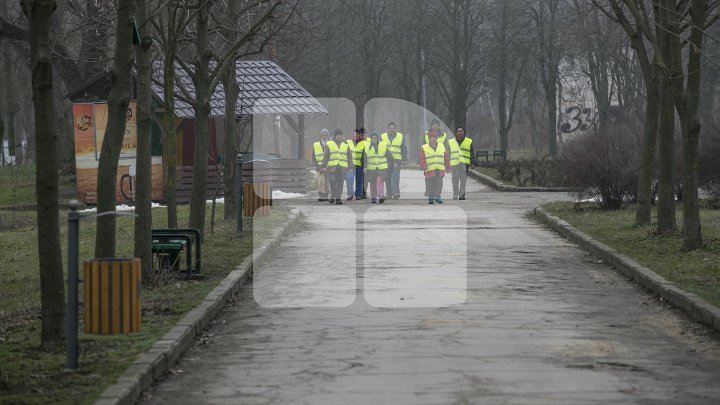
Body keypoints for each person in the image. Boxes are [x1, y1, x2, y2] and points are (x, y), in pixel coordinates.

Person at [420, 131, 450, 204]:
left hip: (439, 169)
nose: (432, 139)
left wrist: (448, 166)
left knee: (439, 183)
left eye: (434, 138)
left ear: (436, 139)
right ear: (429, 139)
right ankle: (431, 197)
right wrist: (423, 166)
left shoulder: (441, 146)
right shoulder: (424, 147)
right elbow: (422, 158)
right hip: (429, 169)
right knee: (430, 184)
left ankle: (438, 196)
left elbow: (445, 156)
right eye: (431, 138)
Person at [323, 128, 352, 205]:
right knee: (332, 183)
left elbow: (349, 155)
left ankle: (338, 198)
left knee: (340, 183)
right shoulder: (329, 143)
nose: (340, 136)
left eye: (341, 135)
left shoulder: (346, 144)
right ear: (335, 136)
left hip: (342, 167)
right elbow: (326, 155)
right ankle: (333, 195)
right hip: (332, 167)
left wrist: (350, 165)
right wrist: (324, 165)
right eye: (339, 135)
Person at [381, 122, 408, 199]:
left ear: (395, 129)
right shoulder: (383, 136)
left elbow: (403, 148)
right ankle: (389, 194)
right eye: (390, 128)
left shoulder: (400, 136)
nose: (392, 129)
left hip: (397, 160)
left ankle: (396, 192)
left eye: (393, 128)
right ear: (388, 129)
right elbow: (380, 147)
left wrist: (404, 159)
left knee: (395, 176)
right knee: (387, 177)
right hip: (386, 160)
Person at [365, 132, 394, 203]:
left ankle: (381, 196)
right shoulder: (366, 146)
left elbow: (388, 154)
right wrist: (365, 166)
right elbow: (364, 157)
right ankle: (373, 197)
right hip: (371, 168)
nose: (374, 140)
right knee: (372, 183)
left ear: (378, 139)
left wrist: (394, 162)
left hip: (381, 167)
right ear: (371, 139)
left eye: (375, 138)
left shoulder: (383, 145)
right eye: (372, 138)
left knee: (380, 180)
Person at [448, 127, 475, 200]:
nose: (460, 132)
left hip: (464, 163)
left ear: (464, 132)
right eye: (458, 131)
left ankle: (462, 195)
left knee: (463, 180)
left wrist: (472, 162)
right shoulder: (451, 142)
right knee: (455, 179)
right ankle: (455, 193)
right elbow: (448, 153)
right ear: (456, 133)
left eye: (461, 131)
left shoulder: (469, 141)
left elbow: (471, 152)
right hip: (455, 163)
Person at [347, 128, 366, 200]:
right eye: (355, 134)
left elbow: (364, 155)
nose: (356, 135)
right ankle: (350, 194)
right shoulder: (348, 142)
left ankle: (358, 194)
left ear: (359, 135)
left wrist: (363, 165)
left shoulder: (363, 143)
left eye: (357, 134)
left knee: (359, 180)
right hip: (350, 166)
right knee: (349, 178)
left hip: (359, 165)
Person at [313, 129, 330, 201]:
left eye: (325, 135)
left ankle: (326, 195)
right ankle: (321, 195)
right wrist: (316, 165)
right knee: (320, 181)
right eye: (323, 135)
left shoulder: (330, 144)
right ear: (321, 136)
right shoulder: (316, 145)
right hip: (319, 166)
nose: (324, 136)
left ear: (328, 136)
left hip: (328, 166)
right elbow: (313, 156)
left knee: (327, 181)